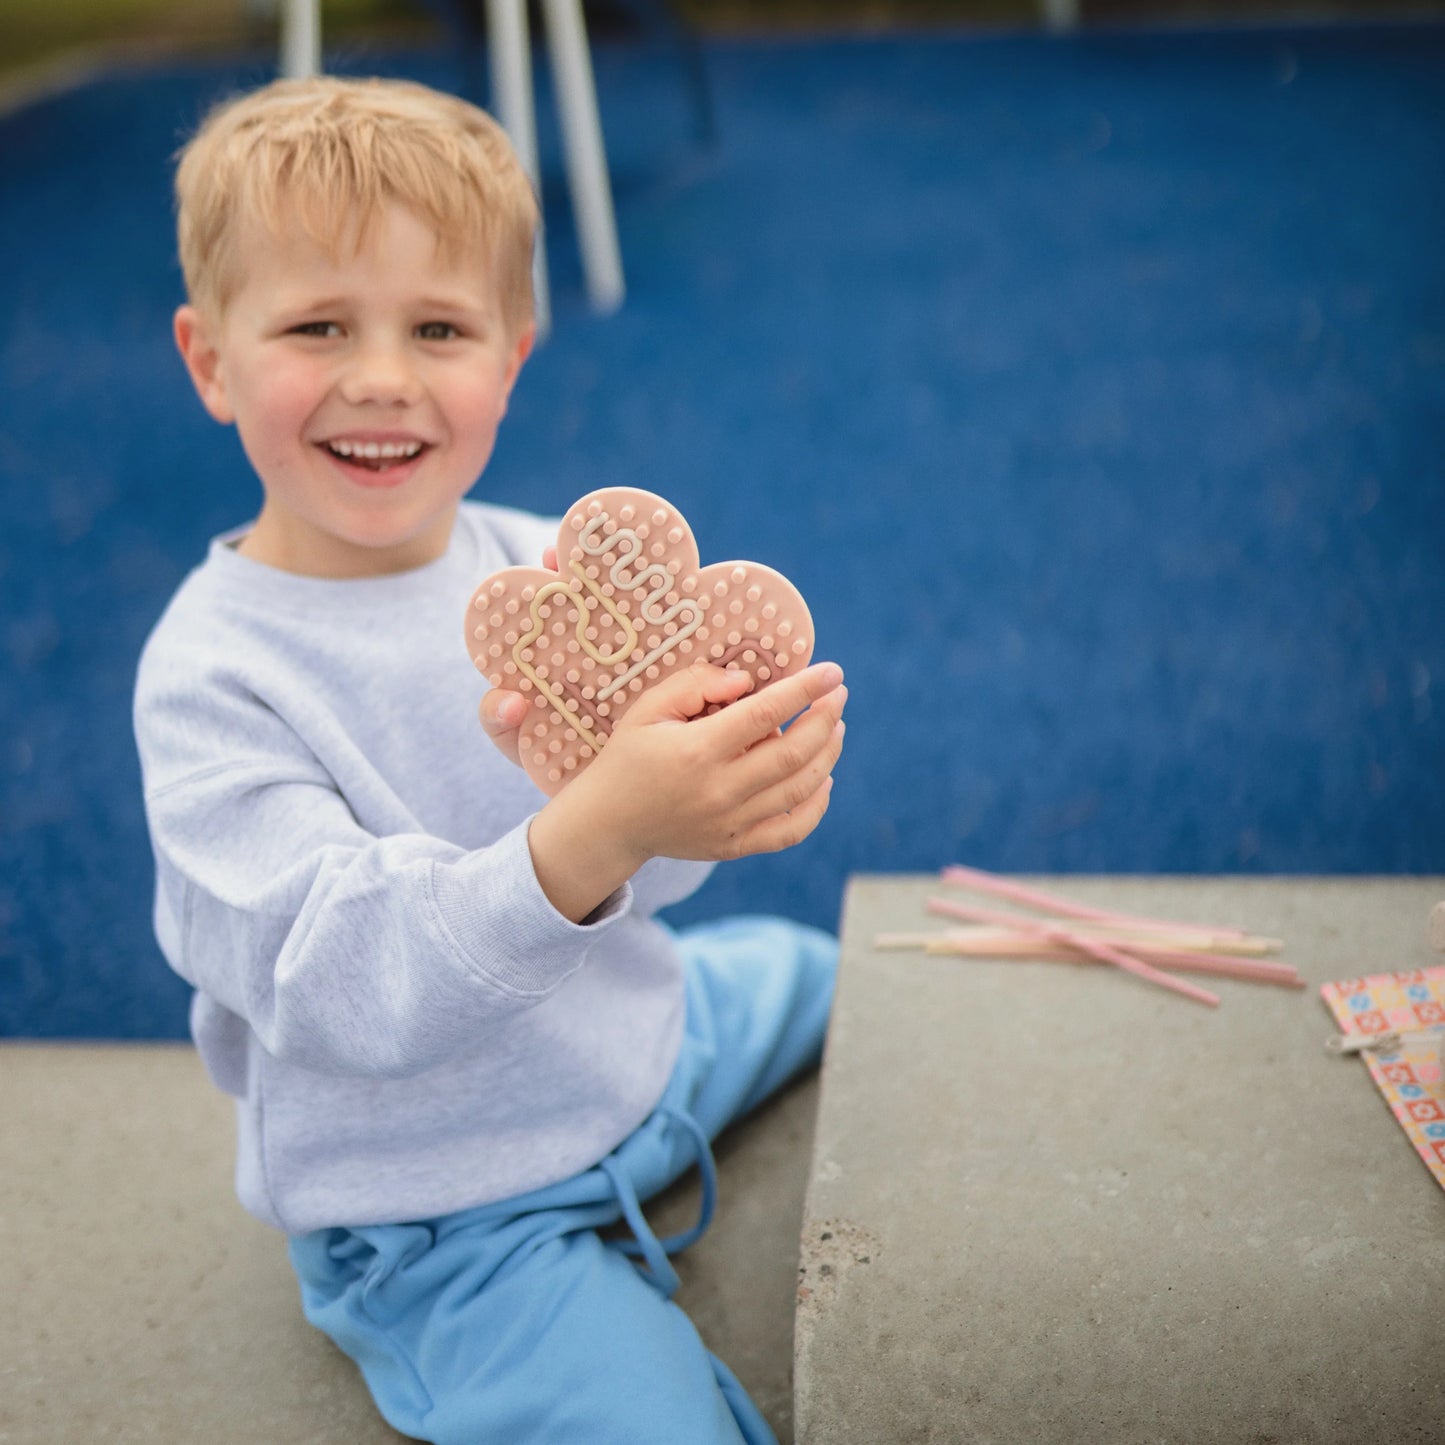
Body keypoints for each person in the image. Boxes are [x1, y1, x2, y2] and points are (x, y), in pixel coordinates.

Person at [133, 74, 847, 1445]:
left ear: (512, 356)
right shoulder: (213, 675)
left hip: (626, 1051)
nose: (383, 373)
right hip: (435, 1199)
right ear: (211, 357)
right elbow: (332, 972)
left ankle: (690, 1044)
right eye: (317, 323)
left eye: (439, 326)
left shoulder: (548, 560)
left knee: (826, 977)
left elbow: (646, 867)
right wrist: (600, 824)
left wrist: (712, 789)